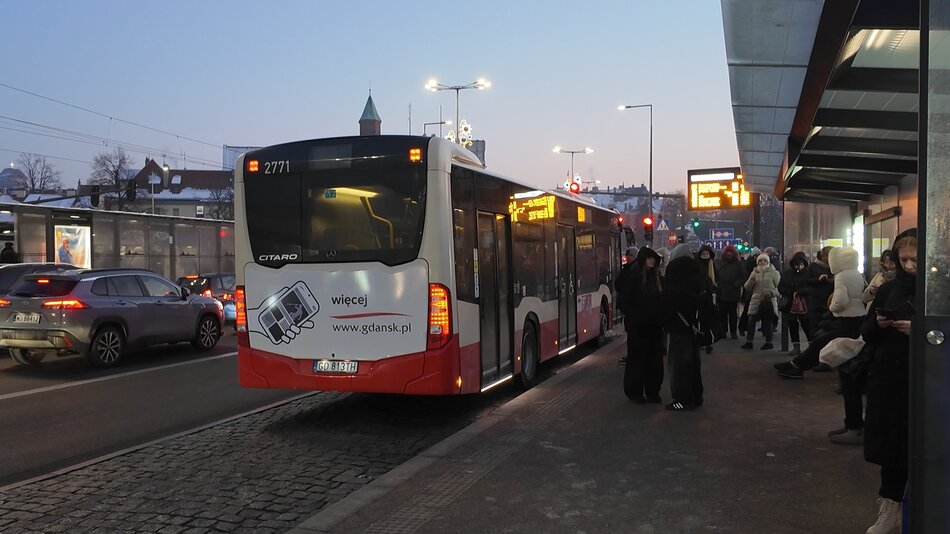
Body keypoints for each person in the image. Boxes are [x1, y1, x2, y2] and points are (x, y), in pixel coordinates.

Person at [775, 246, 868, 447]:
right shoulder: (858, 275)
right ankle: (853, 425)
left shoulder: (843, 276)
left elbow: (840, 301)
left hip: (845, 322)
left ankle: (854, 426)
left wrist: (833, 306)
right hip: (857, 322)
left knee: (846, 374)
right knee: (846, 369)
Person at [861, 230, 916, 534]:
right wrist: (879, 324)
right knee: (891, 448)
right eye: (902, 259)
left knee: (921, 444)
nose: (908, 265)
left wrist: (920, 331)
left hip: (927, 379)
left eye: (914, 260)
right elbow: (867, 332)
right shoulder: (887, 289)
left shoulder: (940, 288)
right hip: (889, 378)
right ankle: (889, 509)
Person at [663, 244, 712, 411]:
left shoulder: (673, 271)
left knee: (677, 363)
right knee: (693, 361)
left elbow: (669, 299)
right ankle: (696, 395)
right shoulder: (698, 270)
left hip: (677, 324)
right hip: (694, 324)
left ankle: (682, 399)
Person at [617, 247, 667, 403]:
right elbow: (625, 301)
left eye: (654, 259)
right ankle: (635, 392)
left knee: (654, 360)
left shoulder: (657, 278)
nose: (652, 261)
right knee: (638, 359)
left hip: (654, 326)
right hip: (638, 327)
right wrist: (635, 317)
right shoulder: (632, 277)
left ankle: (652, 391)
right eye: (649, 258)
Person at [740, 253, 781, 350]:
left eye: (764, 260)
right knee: (751, 321)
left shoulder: (774, 273)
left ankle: (769, 342)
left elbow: (779, 287)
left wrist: (771, 293)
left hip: (768, 300)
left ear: (768, 262)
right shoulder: (755, 272)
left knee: (767, 322)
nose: (762, 262)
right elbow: (747, 287)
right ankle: (749, 342)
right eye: (760, 261)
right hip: (755, 299)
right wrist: (752, 280)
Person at [777, 251, 811, 355]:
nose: (799, 266)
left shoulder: (808, 274)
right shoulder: (787, 273)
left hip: (804, 304)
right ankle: (796, 346)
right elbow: (781, 287)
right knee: (792, 325)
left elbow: (811, 287)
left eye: (801, 264)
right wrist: (790, 292)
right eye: (797, 264)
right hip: (790, 304)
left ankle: (811, 346)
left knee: (807, 325)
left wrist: (802, 292)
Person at [801, 246, 834, 342]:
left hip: (831, 300)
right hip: (816, 301)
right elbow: (806, 281)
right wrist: (818, 279)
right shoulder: (813, 266)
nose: (828, 259)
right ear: (822, 256)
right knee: (815, 326)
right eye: (827, 256)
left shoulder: (835, 266)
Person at [614, 246, 639, 365]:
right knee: (631, 333)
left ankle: (633, 356)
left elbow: (620, 284)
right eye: (627, 255)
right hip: (629, 307)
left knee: (632, 334)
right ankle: (632, 355)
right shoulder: (629, 269)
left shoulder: (632, 270)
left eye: (629, 256)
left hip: (631, 308)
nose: (627, 258)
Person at [716, 244, 746, 339]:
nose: (729, 254)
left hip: (733, 292)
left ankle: (733, 332)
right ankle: (723, 331)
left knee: (733, 314)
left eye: (731, 252)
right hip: (722, 292)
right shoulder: (719, 263)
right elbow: (715, 275)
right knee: (722, 314)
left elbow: (743, 276)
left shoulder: (738, 264)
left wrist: (737, 284)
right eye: (728, 252)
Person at [695, 244, 720, 353]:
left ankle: (708, 341)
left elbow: (718, 278)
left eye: (707, 254)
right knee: (699, 319)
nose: (705, 256)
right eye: (703, 254)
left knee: (708, 320)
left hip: (710, 296)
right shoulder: (697, 266)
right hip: (700, 296)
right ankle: (700, 340)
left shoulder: (713, 265)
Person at [738, 246, 761, 336]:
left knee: (750, 310)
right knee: (748, 310)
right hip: (750, 291)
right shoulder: (750, 265)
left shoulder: (751, 264)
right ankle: (743, 328)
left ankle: (744, 328)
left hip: (754, 291)